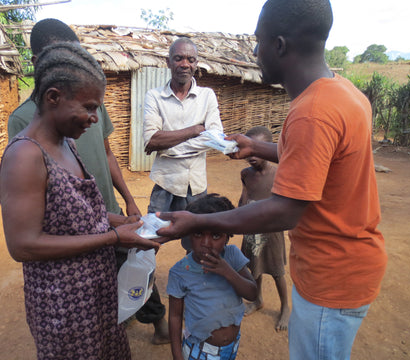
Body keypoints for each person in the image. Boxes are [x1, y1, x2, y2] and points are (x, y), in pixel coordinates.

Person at [157, 1, 387, 359]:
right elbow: (318, 158)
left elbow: (284, 212)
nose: (254, 52)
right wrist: (257, 148)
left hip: (332, 275)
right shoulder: (343, 92)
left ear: (279, 45)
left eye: (258, 42)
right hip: (350, 264)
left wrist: (199, 221)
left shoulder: (312, 112)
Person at [8, 18, 170, 345]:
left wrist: (125, 221)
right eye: (89, 108)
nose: (96, 119)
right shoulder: (25, 154)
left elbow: (81, 211)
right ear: (53, 97)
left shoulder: (66, 142)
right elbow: (23, 245)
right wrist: (111, 237)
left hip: (92, 288)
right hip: (64, 301)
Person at [143, 37, 224, 252]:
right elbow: (151, 140)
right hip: (164, 182)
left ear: (196, 64)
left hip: (196, 184)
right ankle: (147, 284)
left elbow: (215, 138)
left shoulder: (207, 96)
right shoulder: (154, 96)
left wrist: (167, 146)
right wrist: (194, 130)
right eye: (178, 58)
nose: (184, 64)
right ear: (168, 62)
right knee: (150, 238)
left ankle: (195, 284)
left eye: (190, 59)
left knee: (197, 244)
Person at [166, 194, 258, 360]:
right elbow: (175, 316)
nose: (206, 243)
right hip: (199, 349)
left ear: (228, 235)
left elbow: (252, 293)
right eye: (198, 234)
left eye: (216, 236)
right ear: (188, 234)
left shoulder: (232, 256)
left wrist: (227, 271)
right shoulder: (179, 272)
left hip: (232, 346)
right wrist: (177, 355)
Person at [238, 126, 290, 332]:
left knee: (277, 271)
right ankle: (257, 299)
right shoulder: (246, 174)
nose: (252, 156)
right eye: (248, 151)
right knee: (254, 267)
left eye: (257, 150)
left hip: (272, 230)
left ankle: (285, 306)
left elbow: (284, 205)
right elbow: (243, 199)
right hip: (251, 228)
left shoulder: (279, 173)